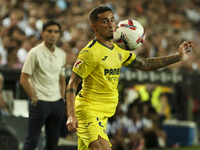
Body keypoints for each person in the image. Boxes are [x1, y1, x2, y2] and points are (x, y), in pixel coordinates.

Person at [66, 6, 192, 150]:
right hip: (88, 110)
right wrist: (71, 115)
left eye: (112, 20)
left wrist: (177, 57)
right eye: (105, 21)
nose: (111, 24)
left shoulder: (119, 50)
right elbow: (72, 84)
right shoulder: (90, 52)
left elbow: (144, 64)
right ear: (94, 26)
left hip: (105, 113)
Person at [20, 20, 66, 150]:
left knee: (52, 144)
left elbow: (62, 79)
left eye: (56, 32)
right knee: (32, 141)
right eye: (49, 31)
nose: (53, 34)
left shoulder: (61, 54)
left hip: (56, 102)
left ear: (59, 35)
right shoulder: (34, 52)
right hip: (40, 102)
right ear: (42, 33)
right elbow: (23, 78)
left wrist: (61, 99)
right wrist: (34, 97)